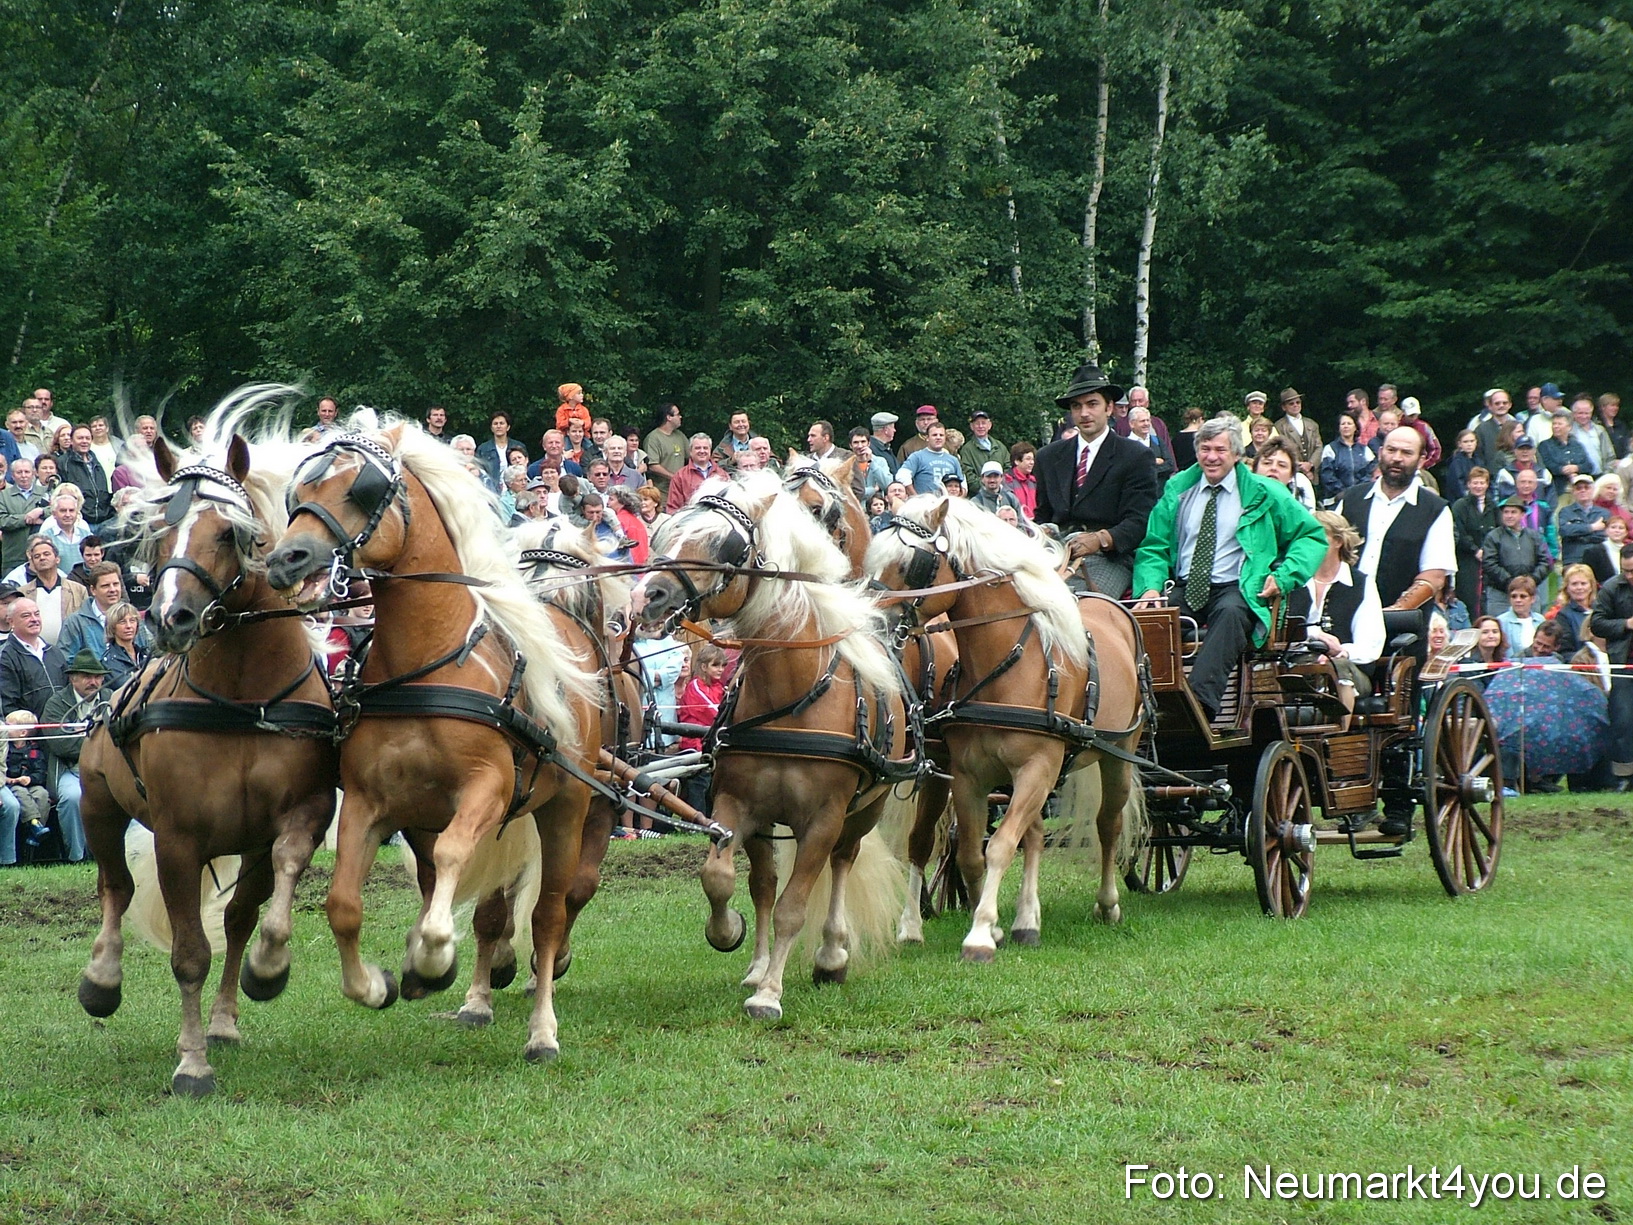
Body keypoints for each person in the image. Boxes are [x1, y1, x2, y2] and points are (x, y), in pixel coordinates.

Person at [1133, 417, 1326, 721]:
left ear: (1237, 454)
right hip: (1185, 586)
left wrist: (1284, 575)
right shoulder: (1178, 489)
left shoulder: (1264, 492)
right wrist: (1151, 586)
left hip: (1239, 585)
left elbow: (1312, 536)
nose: (1211, 457)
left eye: (1220, 450)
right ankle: (1141, 700)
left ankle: (1197, 705)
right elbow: (1154, 545)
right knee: (1146, 619)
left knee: (1231, 614)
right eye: (1205, 448)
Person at [1031, 363, 1159, 596]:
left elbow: (1140, 521)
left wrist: (1102, 539)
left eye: (1092, 404)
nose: (1084, 413)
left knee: (1078, 604)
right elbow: (1043, 514)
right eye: (1076, 406)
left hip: (1110, 558)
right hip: (1055, 553)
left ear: (1109, 407)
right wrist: (1041, 532)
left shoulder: (1136, 456)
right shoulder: (1048, 457)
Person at [1338, 426, 1456, 611]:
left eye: (1407, 453)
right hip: (1345, 615)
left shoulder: (1435, 509)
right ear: (1380, 453)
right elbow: (1327, 554)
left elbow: (1434, 575)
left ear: (1421, 460)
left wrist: (1397, 610)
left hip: (1403, 627)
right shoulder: (1350, 498)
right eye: (1391, 450)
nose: (1397, 458)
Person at [1287, 511, 1385, 726]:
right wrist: (1314, 636)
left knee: (1337, 667)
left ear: (1338, 541)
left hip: (1351, 669)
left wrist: (1340, 652)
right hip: (1298, 663)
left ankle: (1337, 738)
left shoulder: (1361, 584)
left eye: (1315, 536)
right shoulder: (1293, 579)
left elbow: (1371, 643)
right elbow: (1282, 630)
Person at [41, 647, 112, 864]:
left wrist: (82, 737)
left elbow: (121, 737)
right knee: (72, 798)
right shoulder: (56, 704)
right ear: (73, 679)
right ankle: (77, 857)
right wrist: (99, 741)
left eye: (98, 676)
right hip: (69, 769)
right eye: (87, 677)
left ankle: (119, 856)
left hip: (108, 769)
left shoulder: (113, 698)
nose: (94, 682)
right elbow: (61, 744)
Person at [1590, 543, 1633, 790]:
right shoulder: (1611, 588)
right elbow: (1596, 623)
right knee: (1623, 720)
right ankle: (1625, 775)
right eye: (1625, 570)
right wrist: (1626, 624)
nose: (1629, 576)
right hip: (1624, 664)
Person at [677, 643, 729, 817]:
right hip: (695, 744)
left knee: (711, 784)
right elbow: (712, 713)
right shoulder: (695, 686)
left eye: (723, 665)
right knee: (699, 785)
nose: (720, 669)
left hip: (711, 743)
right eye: (716, 665)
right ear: (704, 666)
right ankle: (695, 821)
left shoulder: (720, 688)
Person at [1481, 496, 1553, 615]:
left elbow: (1545, 561)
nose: (1509, 516)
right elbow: (1489, 563)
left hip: (1529, 594)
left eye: (1513, 512)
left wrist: (1531, 581)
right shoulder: (1493, 536)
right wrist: (1511, 583)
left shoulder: (1534, 536)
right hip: (1500, 595)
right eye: (1506, 512)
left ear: (1523, 514)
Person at [0, 598, 68, 720]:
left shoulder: (54, 652)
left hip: (60, 728)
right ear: (11, 622)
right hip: (29, 733)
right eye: (26, 616)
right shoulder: (5, 656)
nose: (34, 619)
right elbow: (7, 705)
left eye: (37, 614)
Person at [16, 539, 87, 646]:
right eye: (37, 556)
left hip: (70, 651)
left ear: (57, 559)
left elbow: (86, 625)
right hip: (33, 652)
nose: (42, 558)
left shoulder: (78, 590)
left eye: (46, 554)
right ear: (32, 563)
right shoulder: (22, 594)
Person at [56, 561, 131, 663]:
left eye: (116, 584)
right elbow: (65, 661)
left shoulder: (132, 618)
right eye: (106, 586)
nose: (112, 589)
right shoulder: (75, 623)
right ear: (93, 590)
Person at [1450, 466, 1497, 614]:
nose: (1478, 486)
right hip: (1467, 559)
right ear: (1469, 484)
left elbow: (1497, 530)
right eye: (1475, 483)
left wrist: (1488, 551)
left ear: (1487, 484)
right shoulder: (1460, 506)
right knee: (1469, 597)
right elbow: (1459, 531)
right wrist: (1475, 549)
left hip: (1489, 558)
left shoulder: (1493, 506)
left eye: (1482, 483)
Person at [0, 459, 52, 576]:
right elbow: (2, 520)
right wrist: (27, 518)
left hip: (43, 556)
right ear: (12, 476)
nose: (24, 476)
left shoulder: (46, 492)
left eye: (27, 472)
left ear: (33, 473)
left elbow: (56, 511)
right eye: (19, 472)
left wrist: (41, 511)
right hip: (14, 555)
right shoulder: (3, 496)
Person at [1318, 411, 1376, 505]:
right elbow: (1327, 476)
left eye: (1349, 423)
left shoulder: (1364, 449)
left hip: (1360, 498)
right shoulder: (1330, 449)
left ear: (1355, 427)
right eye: (1343, 424)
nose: (1346, 426)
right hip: (1336, 500)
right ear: (1339, 428)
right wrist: (1344, 493)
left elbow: (1370, 472)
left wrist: (1358, 491)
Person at [1557, 473, 1611, 567]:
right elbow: (1565, 531)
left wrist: (1577, 534)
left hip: (1598, 559)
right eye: (1578, 488)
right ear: (1573, 491)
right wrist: (1592, 527)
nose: (1583, 490)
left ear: (1593, 490)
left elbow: (1603, 536)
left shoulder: (1604, 513)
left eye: (1586, 487)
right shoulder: (1565, 511)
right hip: (1573, 559)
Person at [1537, 410, 1594, 499]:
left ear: (1569, 427)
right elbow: (1546, 465)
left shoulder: (1577, 445)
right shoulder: (1544, 445)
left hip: (1579, 490)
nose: (1556, 426)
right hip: (1557, 490)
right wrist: (1562, 470)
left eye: (1559, 424)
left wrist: (1577, 468)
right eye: (1554, 424)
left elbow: (1589, 466)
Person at [1250, 436, 1317, 511]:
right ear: (1254, 469)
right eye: (1267, 463)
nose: (1274, 468)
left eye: (1282, 465)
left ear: (1291, 475)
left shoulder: (1298, 512)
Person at [896, 422, 963, 494]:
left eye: (941, 435)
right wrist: (915, 497)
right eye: (934, 435)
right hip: (926, 503)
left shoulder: (953, 460)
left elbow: (963, 483)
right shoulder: (917, 457)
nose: (938, 437)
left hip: (947, 503)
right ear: (927, 438)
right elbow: (902, 476)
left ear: (945, 438)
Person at [1546, 565, 1599, 654]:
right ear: (1567, 588)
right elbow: (1564, 650)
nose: (1579, 588)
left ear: (1591, 586)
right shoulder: (1563, 615)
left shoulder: (1601, 610)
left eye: (1583, 583)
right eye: (1574, 584)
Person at [664, 433, 721, 513]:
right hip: (690, 522)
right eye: (697, 448)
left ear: (710, 450)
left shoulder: (722, 474)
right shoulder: (680, 476)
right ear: (690, 451)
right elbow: (673, 508)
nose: (702, 451)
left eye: (705, 448)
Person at [1273, 387, 1322, 479]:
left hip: (1312, 474)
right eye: (1291, 403)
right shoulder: (1278, 426)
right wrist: (1299, 467)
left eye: (1298, 402)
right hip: (1291, 473)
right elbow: (1281, 449)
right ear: (1284, 407)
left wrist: (1310, 464)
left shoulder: (1312, 424)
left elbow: (1318, 447)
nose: (1295, 405)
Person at [642, 402, 687, 499]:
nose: (680, 417)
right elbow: (653, 466)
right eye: (678, 414)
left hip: (680, 491)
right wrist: (674, 477)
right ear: (669, 417)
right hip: (661, 493)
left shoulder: (680, 435)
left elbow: (691, 456)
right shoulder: (653, 438)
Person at [99, 600, 147, 687]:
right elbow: (126, 687)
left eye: (132, 621)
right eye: (122, 622)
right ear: (112, 627)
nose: (129, 626)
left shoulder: (144, 654)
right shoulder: (109, 661)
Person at [1126, 406, 1175, 485]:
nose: (1146, 424)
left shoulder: (1158, 441)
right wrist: (1153, 461)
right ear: (1132, 424)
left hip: (1159, 494)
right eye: (1142, 421)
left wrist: (1146, 469)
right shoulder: (1125, 445)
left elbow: (1170, 465)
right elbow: (1128, 470)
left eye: (1148, 420)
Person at [957, 410, 1009, 483]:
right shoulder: (967, 449)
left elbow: (1008, 468)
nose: (980, 426)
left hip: (1001, 491)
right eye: (977, 424)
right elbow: (968, 475)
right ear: (972, 426)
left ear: (989, 425)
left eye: (983, 423)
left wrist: (1000, 485)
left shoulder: (1000, 446)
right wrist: (986, 486)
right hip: (979, 493)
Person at [1497, 575, 1545, 654]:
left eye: (1523, 596)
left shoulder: (1540, 620)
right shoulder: (1501, 621)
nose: (1518, 600)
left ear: (1532, 599)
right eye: (1514, 596)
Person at [846, 429, 892, 503]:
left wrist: (871, 462)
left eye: (863, 442)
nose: (860, 446)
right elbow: (852, 493)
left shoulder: (880, 461)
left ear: (869, 443)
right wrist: (873, 490)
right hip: (856, 509)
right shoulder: (847, 464)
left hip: (877, 509)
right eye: (856, 442)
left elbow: (887, 485)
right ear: (850, 445)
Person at [1004, 442, 1037, 519]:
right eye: (1028, 459)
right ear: (1017, 461)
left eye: (1033, 459)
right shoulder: (1007, 482)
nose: (1032, 462)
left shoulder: (1034, 482)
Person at [1172, 406, 1205, 471]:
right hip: (1196, 471)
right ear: (1200, 419)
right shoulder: (1201, 436)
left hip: (1180, 472)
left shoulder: (1177, 437)